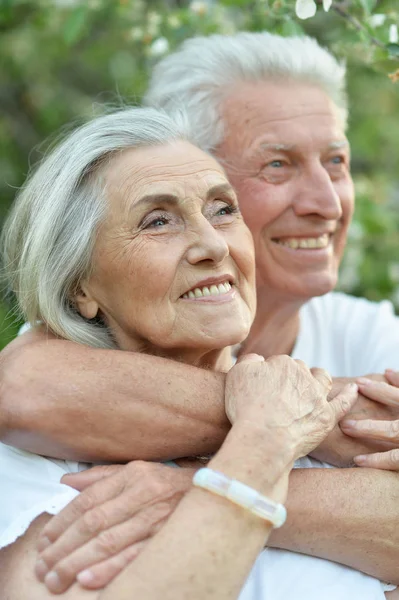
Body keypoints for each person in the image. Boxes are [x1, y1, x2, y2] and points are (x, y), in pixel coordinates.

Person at [1, 31, 399, 591]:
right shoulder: (40, 463)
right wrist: (264, 436)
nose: (212, 243)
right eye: (157, 220)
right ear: (78, 288)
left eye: (222, 209)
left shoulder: (323, 407)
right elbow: (22, 386)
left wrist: (202, 479)